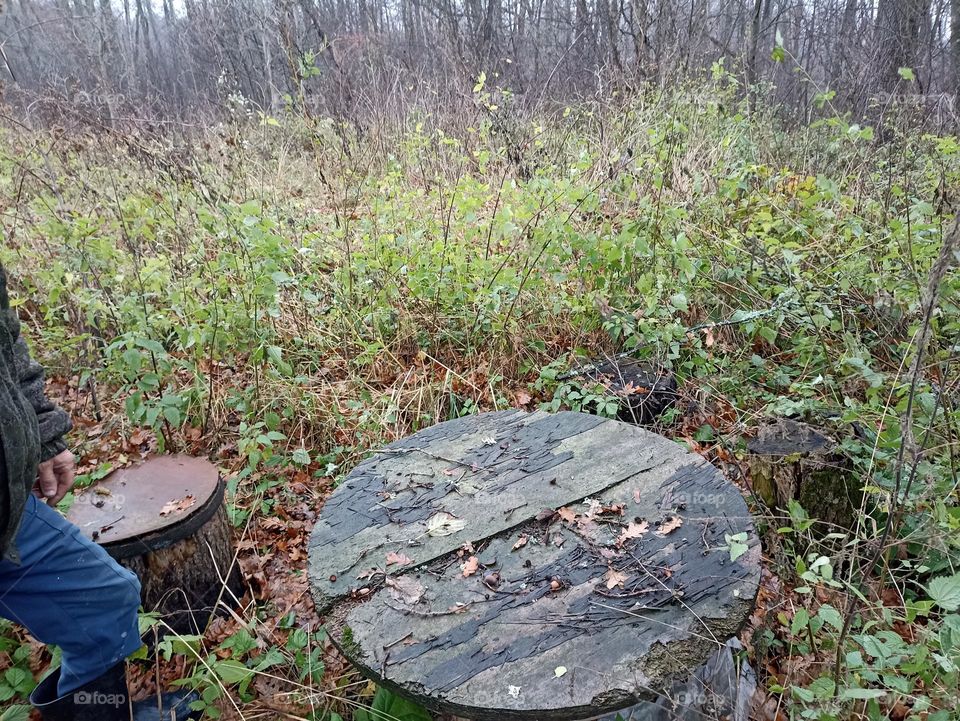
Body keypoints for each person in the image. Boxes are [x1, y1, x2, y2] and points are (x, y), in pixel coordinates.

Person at [0, 263, 198, 720]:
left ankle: (103, 715)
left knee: (104, 598)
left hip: (7, 509)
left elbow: (4, 334)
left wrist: (41, 430)